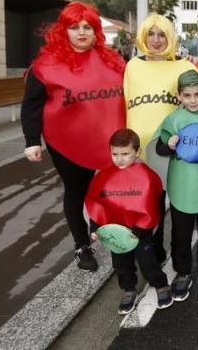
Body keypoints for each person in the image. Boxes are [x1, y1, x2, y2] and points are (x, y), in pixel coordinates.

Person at [22, 2, 126, 272]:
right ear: (63, 30)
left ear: (95, 31)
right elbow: (31, 104)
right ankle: (82, 245)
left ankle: (100, 231)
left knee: (105, 190)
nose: (81, 32)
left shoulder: (112, 61)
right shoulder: (45, 65)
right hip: (65, 142)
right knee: (76, 192)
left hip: (108, 139)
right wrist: (31, 140)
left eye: (87, 27)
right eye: (74, 27)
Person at [124, 13, 197, 262]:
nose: (156, 40)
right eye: (151, 34)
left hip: (175, 152)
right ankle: (155, 253)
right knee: (150, 207)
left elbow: (197, 106)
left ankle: (180, 261)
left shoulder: (185, 66)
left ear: (171, 37)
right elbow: (124, 105)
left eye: (162, 34)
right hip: (141, 153)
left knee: (178, 210)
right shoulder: (133, 66)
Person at [154, 70, 198, 303]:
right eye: (187, 95)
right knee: (180, 232)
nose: (193, 100)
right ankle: (182, 272)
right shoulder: (172, 120)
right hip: (181, 186)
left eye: (197, 94)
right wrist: (170, 145)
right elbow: (159, 149)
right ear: (179, 96)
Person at [85, 129, 172, 313]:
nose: (120, 159)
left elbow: (150, 205)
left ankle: (160, 284)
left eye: (125, 154)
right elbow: (97, 204)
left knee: (148, 261)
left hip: (139, 232)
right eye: (115, 154)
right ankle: (128, 289)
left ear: (137, 152)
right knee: (121, 264)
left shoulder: (146, 176)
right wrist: (96, 228)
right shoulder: (104, 177)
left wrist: (138, 232)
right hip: (115, 232)